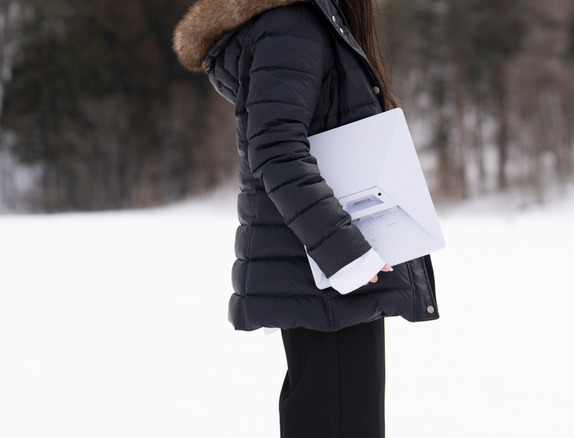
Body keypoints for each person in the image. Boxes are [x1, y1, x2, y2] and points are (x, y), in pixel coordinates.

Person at [173, 1, 439, 437]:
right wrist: (347, 254)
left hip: (329, 275)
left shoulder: (307, 19)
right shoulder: (292, 23)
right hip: (328, 277)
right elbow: (275, 150)